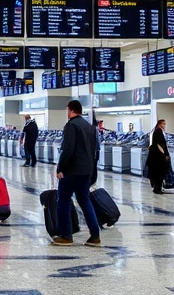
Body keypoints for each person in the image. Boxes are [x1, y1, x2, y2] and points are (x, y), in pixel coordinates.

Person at [51, 100, 101, 247]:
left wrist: (60, 168)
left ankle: (66, 236)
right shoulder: (90, 127)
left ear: (71, 110)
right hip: (86, 170)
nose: (67, 113)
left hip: (72, 170)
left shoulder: (71, 125)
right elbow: (95, 150)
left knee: (64, 200)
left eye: (67, 110)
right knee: (84, 200)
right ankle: (95, 236)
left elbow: (68, 149)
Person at [146, 119, 170, 195]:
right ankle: (157, 188)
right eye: (164, 124)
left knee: (156, 172)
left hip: (154, 156)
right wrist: (164, 155)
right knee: (159, 172)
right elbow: (159, 144)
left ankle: (157, 187)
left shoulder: (155, 131)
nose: (164, 125)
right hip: (158, 157)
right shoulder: (158, 132)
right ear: (160, 124)